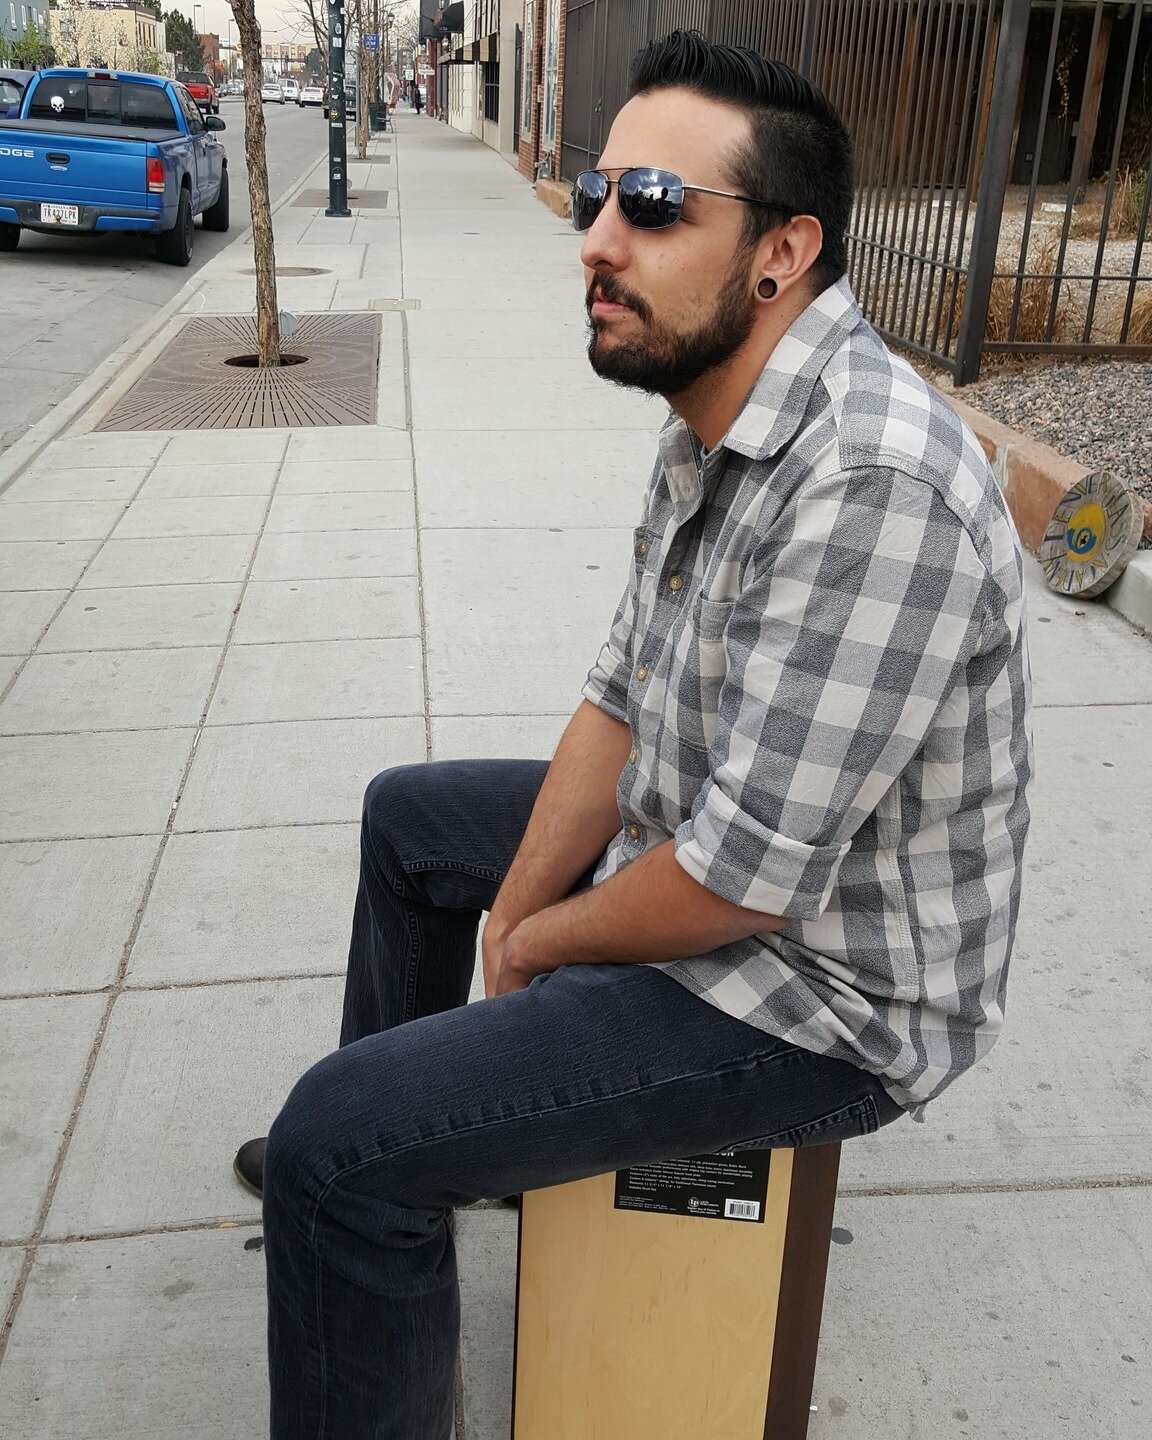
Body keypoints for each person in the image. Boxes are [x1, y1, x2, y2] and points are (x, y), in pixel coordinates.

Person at [235, 29, 1032, 1439]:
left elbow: (740, 887)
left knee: (332, 1153)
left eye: (652, 206)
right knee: (412, 823)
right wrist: (525, 904)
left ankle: (377, 1155)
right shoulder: (714, 399)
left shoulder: (875, 486)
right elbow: (621, 690)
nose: (598, 237)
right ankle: (423, 1134)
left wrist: (535, 944)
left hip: (826, 998)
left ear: (783, 252)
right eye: (601, 194)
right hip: (717, 848)